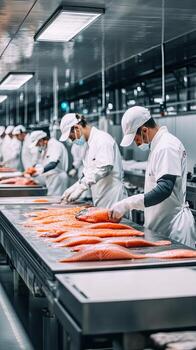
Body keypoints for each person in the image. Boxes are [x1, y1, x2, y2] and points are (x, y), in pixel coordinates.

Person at [110, 106, 196, 247]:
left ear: (144, 130)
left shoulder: (166, 146)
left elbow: (164, 189)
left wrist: (127, 203)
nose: (136, 144)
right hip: (162, 227)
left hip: (173, 229)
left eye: (135, 139)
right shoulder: (158, 146)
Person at [60, 113, 127, 208]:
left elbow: (104, 168)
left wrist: (82, 187)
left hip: (113, 197)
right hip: (100, 196)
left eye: (72, 137)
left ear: (76, 128)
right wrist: (75, 186)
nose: (72, 140)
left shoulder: (102, 139)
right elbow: (89, 172)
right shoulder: (88, 145)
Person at [29, 130, 69, 196]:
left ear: (41, 140)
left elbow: (53, 164)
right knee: (53, 200)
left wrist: (39, 171)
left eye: (38, 144)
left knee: (56, 201)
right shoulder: (46, 147)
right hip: (51, 179)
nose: (38, 146)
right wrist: (35, 170)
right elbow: (44, 163)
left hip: (58, 178)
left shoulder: (55, 145)